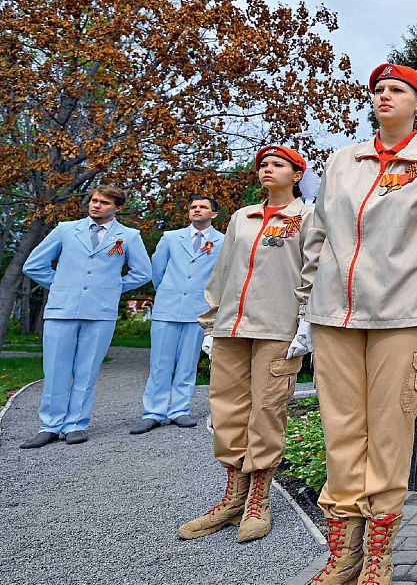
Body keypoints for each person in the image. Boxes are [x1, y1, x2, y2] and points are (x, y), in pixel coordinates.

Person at [277, 63, 417, 585]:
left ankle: (376, 564)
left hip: (401, 317)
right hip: (334, 316)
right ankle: (341, 562)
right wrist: (306, 309)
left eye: (397, 90)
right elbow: (317, 236)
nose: (384, 96)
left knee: (387, 434)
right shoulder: (343, 161)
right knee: (341, 433)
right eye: (378, 90)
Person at [178, 145, 317, 544]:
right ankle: (233, 498)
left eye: (278, 164)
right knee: (227, 410)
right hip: (230, 328)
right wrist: (211, 323)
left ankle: (259, 499)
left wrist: (305, 319)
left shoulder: (308, 216)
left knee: (267, 410)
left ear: (297, 175)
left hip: (277, 328)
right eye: (263, 164)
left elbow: (313, 269)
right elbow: (223, 271)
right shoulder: (242, 217)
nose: (267, 169)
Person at [20, 186, 151, 448]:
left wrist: (111, 288)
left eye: (104, 202)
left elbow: (143, 272)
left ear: (117, 208)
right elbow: (33, 265)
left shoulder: (129, 236)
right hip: (62, 309)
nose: (96, 205)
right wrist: (61, 285)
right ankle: (49, 426)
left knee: (87, 370)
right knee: (55, 369)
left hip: (100, 312)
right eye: (94, 200)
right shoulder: (66, 230)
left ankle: (76, 425)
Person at [132, 196, 223, 434]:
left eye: (203, 207)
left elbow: (220, 276)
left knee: (187, 363)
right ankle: (153, 412)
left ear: (213, 214)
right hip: (167, 308)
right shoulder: (171, 238)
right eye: (193, 207)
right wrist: (168, 291)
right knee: (159, 364)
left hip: (198, 310)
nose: (197, 210)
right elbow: (158, 270)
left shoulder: (223, 241)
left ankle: (180, 410)